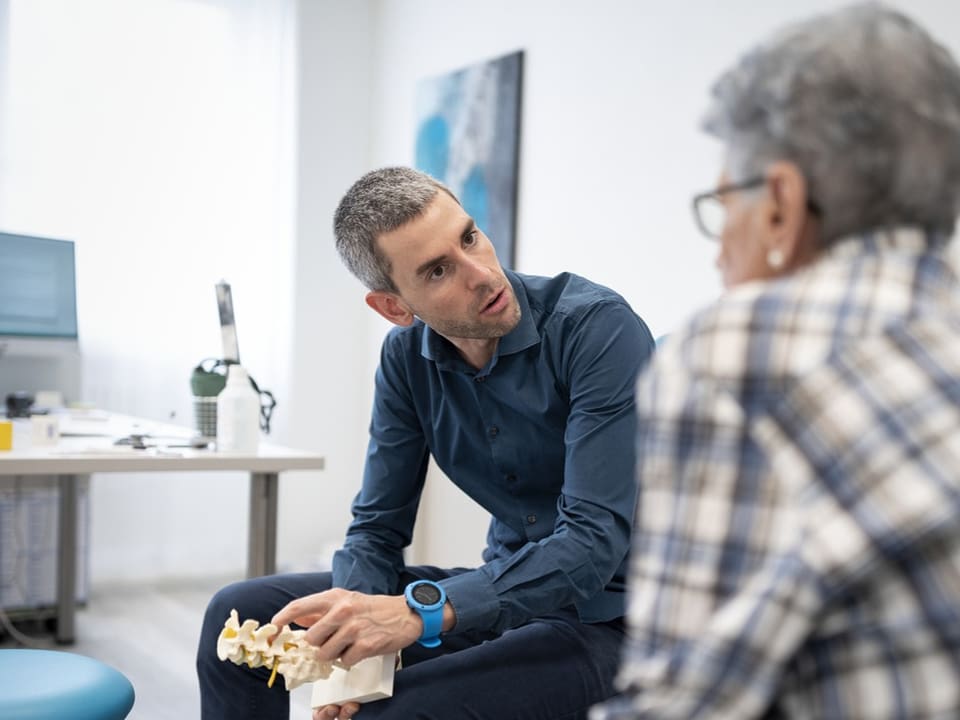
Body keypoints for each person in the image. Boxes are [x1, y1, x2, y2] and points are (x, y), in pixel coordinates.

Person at [591, 3, 960, 719]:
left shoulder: (735, 351)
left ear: (783, 206)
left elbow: (686, 699)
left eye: (724, 201)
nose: (718, 248)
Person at [197, 165, 656, 719]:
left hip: (620, 620)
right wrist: (354, 650)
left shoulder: (596, 329)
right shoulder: (405, 361)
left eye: (469, 237)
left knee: (391, 713)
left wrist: (417, 616)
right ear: (394, 307)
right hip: (510, 603)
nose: (483, 274)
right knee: (238, 614)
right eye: (438, 270)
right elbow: (376, 529)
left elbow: (591, 546)